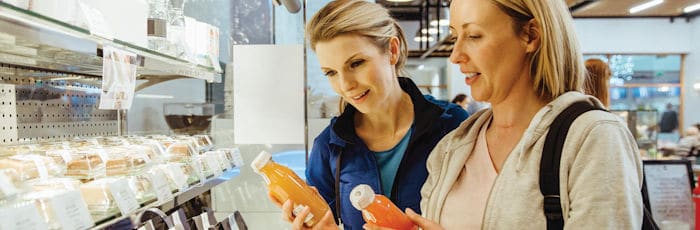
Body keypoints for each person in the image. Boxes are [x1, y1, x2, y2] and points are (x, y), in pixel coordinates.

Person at [370, 0, 643, 229]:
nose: (455, 55)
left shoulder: (592, 138)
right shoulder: (452, 148)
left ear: (531, 35)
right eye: (455, 37)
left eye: (474, 35)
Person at [268, 1, 469, 229]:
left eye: (356, 63)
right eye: (331, 73)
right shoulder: (329, 148)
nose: (346, 85)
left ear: (392, 51)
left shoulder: (452, 127)